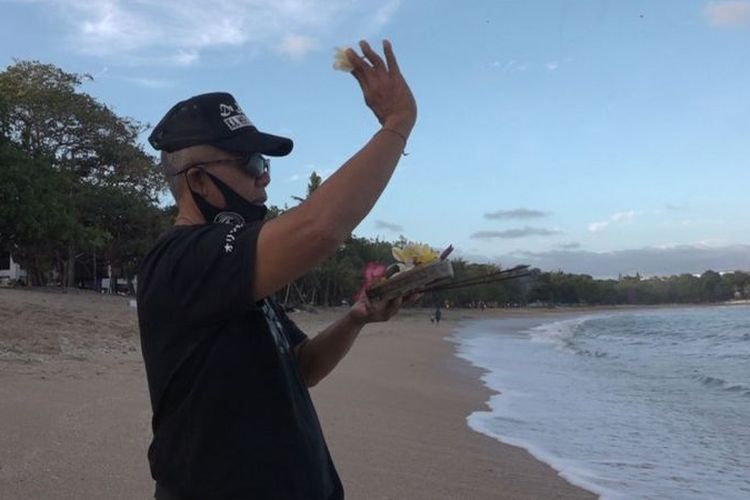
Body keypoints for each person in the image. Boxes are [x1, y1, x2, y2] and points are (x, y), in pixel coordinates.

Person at [136, 40, 416, 499]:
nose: (263, 177)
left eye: (262, 162)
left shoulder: (234, 276)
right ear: (198, 180)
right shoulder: (180, 260)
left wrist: (356, 318)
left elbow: (303, 367)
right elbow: (320, 229)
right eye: (249, 163)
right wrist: (396, 126)